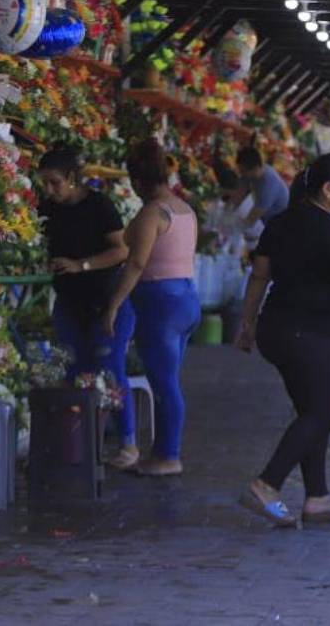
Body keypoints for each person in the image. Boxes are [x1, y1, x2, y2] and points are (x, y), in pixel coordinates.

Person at [235, 154, 330, 527]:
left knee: (312, 411)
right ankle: (266, 484)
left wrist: (247, 322)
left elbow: (258, 276)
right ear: (327, 189)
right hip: (312, 336)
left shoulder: (280, 223)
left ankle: (318, 497)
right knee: (324, 413)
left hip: (275, 331)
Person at [102, 139, 201, 476]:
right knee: (168, 381)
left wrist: (114, 304)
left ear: (138, 181)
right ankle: (162, 452)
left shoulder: (152, 213)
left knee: (165, 384)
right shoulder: (184, 209)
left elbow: (136, 263)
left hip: (161, 303)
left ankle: (168, 456)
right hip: (186, 298)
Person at [37, 148, 139, 470]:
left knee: (110, 368)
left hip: (108, 301)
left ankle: (128, 443)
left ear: (71, 178)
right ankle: (76, 444)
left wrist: (81, 265)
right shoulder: (47, 209)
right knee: (71, 369)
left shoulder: (99, 206)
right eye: (44, 184)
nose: (49, 190)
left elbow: (122, 250)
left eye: (54, 182)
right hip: (69, 303)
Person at [235, 147, 291, 227]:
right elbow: (239, 194)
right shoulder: (252, 173)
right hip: (262, 211)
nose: (241, 174)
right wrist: (227, 211)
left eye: (243, 171)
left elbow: (250, 221)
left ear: (255, 168)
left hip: (274, 222)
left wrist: (233, 223)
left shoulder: (268, 187)